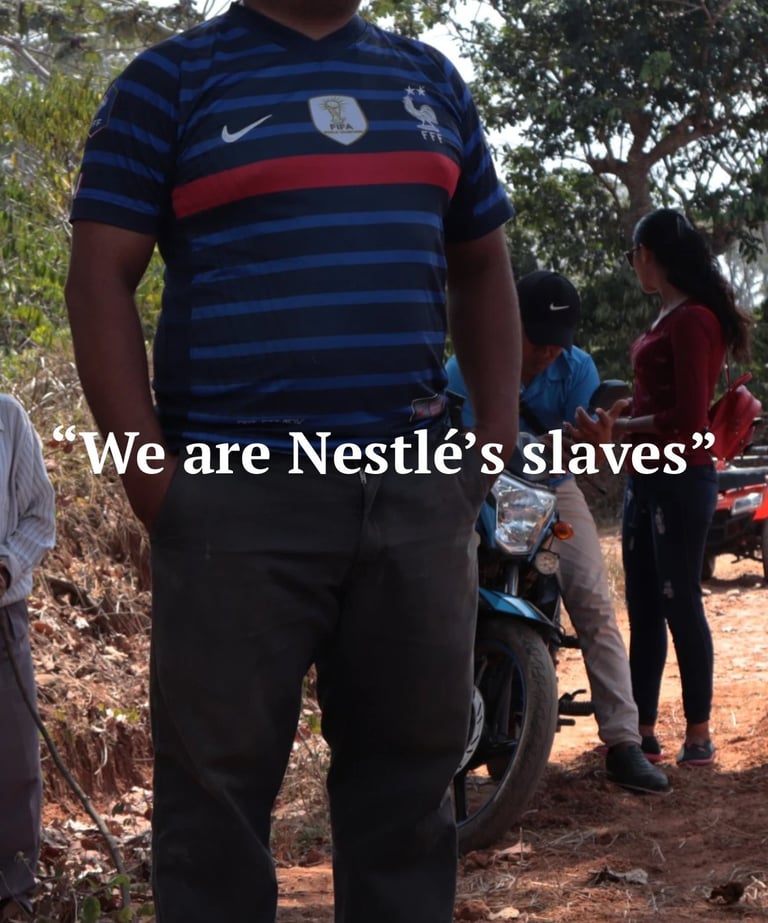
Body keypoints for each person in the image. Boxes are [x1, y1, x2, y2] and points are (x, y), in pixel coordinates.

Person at [64, 2, 522, 921]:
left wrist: (488, 447)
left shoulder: (431, 82)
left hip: (415, 498)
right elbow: (99, 276)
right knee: (216, 812)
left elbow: (482, 266)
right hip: (233, 502)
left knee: (410, 795)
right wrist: (153, 480)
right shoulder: (169, 83)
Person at [447, 270, 670, 794]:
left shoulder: (578, 368)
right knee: (443, 585)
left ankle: (624, 742)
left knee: (593, 599)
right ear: (510, 324)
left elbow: (591, 453)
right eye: (538, 341)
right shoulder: (465, 367)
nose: (549, 353)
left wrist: (599, 443)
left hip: (553, 486)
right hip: (482, 483)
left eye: (557, 343)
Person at [571, 207, 752, 768]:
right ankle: (642, 730)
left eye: (633, 256)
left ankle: (698, 734)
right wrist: (631, 418)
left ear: (646, 255)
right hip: (645, 474)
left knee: (680, 600)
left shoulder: (693, 319)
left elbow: (692, 417)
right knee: (645, 605)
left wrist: (624, 426)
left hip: (680, 474)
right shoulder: (668, 316)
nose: (633, 266)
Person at [0, 393, 56, 921]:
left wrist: (4, 568)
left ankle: (14, 896)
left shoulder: (7, 417)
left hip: (3, 617)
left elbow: (40, 516)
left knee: (14, 761)